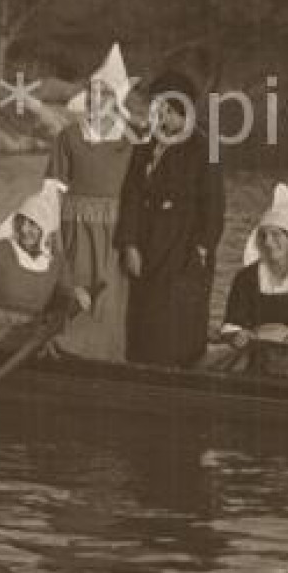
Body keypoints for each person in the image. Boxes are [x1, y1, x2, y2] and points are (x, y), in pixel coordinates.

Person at [117, 70, 225, 367]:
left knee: (176, 324)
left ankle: (177, 378)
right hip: (147, 248)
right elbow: (131, 198)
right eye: (156, 107)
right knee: (144, 323)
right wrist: (129, 245)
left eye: (166, 108)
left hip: (183, 251)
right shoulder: (145, 147)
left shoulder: (204, 148)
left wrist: (202, 248)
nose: (159, 114)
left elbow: (214, 207)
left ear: (183, 111)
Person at [46, 43, 136, 362]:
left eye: (105, 94)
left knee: (110, 296)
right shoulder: (68, 136)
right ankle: (65, 350)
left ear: (116, 100)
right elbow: (52, 189)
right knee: (75, 287)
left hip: (114, 230)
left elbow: (137, 194)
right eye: (92, 93)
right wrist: (52, 230)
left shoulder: (129, 142)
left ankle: (106, 357)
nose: (96, 100)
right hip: (75, 226)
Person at [0, 185, 91, 354]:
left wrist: (76, 291)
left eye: (32, 224)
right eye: (21, 221)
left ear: (46, 228)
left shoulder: (55, 260)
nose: (24, 229)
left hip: (36, 334)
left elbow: (65, 292)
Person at [205, 183, 288, 370]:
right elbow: (232, 322)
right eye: (263, 236)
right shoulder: (247, 277)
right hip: (250, 351)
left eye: (276, 235)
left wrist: (286, 339)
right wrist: (237, 335)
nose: (269, 242)